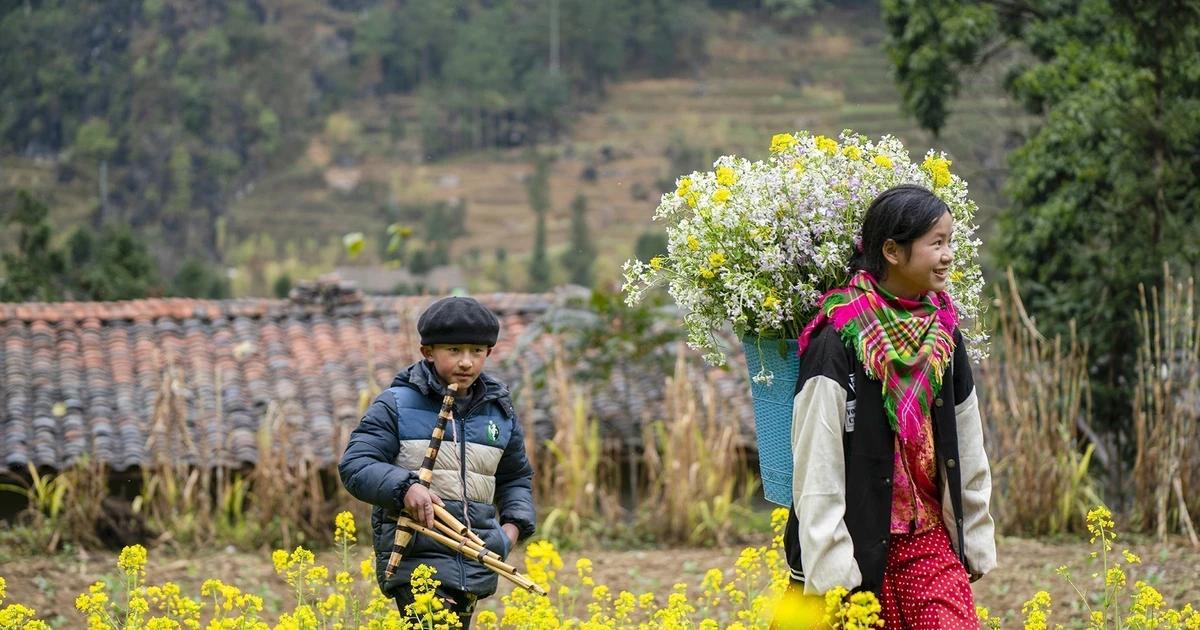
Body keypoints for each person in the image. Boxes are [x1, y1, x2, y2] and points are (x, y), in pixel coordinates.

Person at [785, 184, 996, 628]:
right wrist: (831, 566)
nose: (949, 255)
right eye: (937, 243)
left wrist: (972, 536)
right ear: (893, 251)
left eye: (950, 242)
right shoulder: (836, 340)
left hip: (928, 542)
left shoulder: (943, 336)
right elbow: (816, 463)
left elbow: (967, 442)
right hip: (856, 546)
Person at [339, 296, 535, 625]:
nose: (466, 362)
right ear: (428, 352)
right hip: (417, 560)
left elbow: (516, 478)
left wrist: (509, 533)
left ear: (489, 352)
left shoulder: (498, 412)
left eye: (476, 351)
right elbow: (356, 464)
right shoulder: (397, 404)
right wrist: (405, 489)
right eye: (454, 351)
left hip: (476, 560)